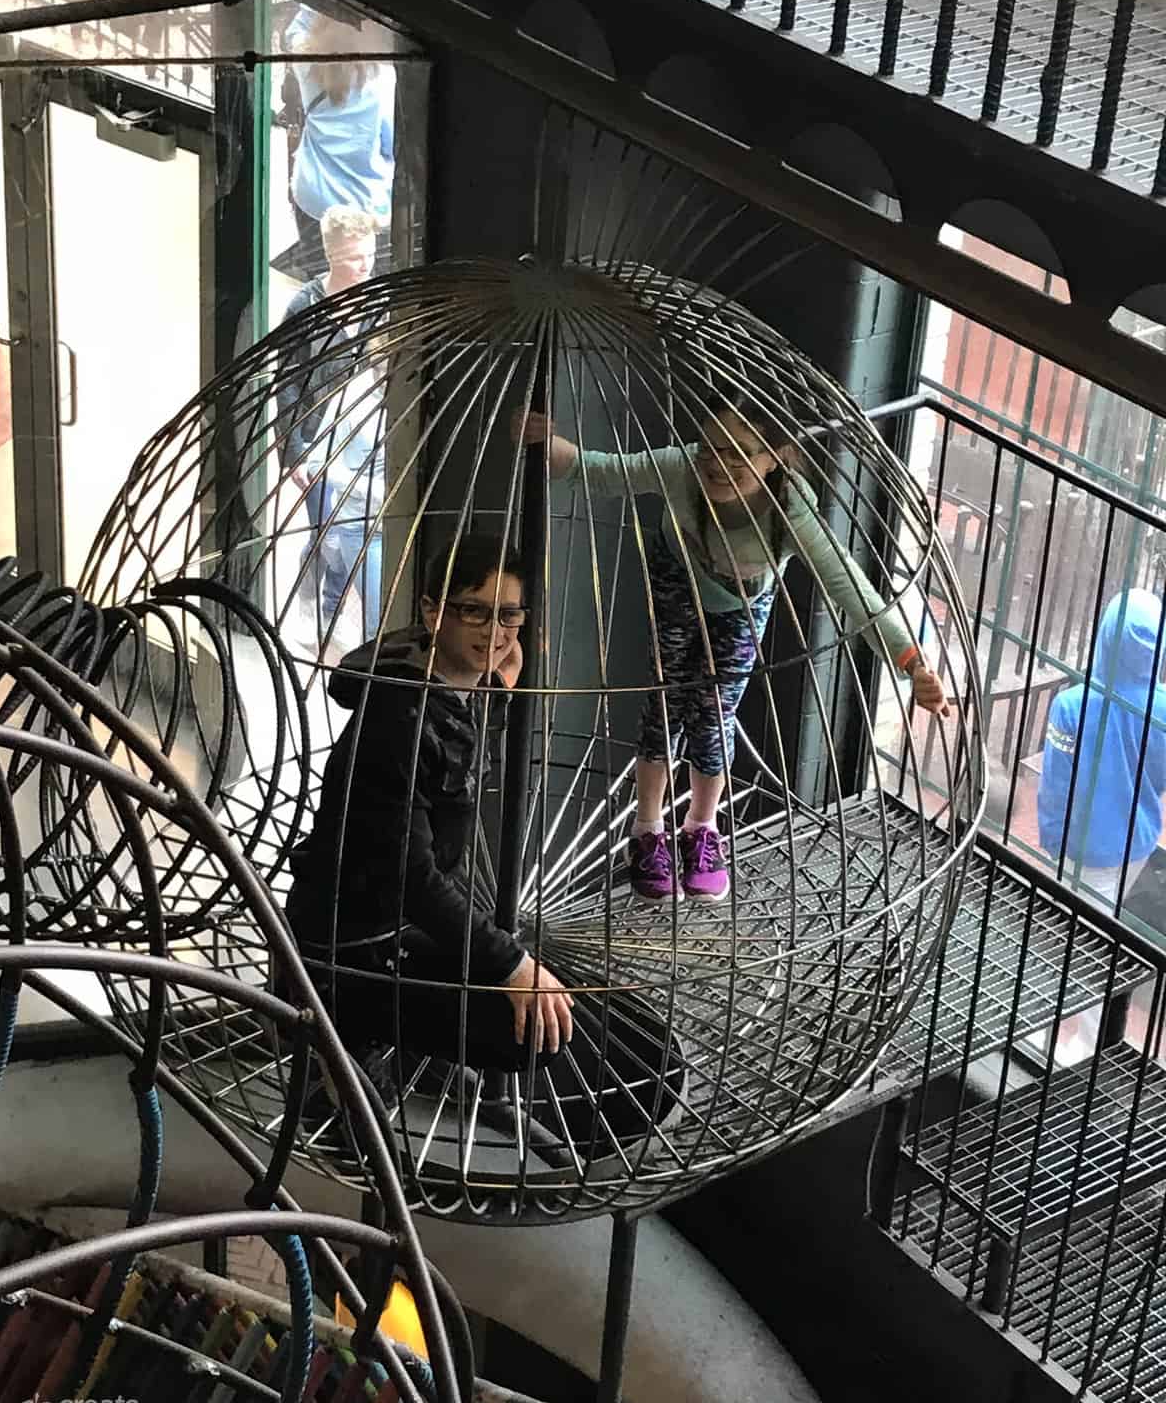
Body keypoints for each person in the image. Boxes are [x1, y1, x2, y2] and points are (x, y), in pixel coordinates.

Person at [516, 393, 949, 903]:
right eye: (712, 448)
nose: (720, 464)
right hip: (679, 582)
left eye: (740, 453)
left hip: (743, 604)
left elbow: (849, 585)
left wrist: (910, 662)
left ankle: (702, 828)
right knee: (664, 702)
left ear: (775, 457)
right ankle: (648, 830)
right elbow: (606, 472)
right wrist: (545, 443)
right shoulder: (681, 467)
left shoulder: (790, 508)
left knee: (714, 711)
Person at [285, 533, 577, 1069]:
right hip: (351, 955)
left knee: (557, 995)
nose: (494, 632)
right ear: (431, 610)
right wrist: (510, 964)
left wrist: (498, 692)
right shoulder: (398, 718)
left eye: (509, 616)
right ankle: (351, 1043)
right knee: (532, 1028)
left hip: (394, 928)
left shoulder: (450, 694)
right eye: (474, 612)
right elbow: (409, 875)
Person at [276, 205, 385, 655]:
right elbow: (287, 382)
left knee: (359, 533)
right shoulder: (305, 306)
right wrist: (295, 453)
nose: (366, 266)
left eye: (370, 255)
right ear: (331, 256)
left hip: (364, 438)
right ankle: (317, 606)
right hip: (320, 440)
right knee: (328, 535)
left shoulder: (378, 299)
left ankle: (332, 609)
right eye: (356, 258)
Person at [1038, 588, 1166, 907]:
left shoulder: (1071, 707)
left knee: (1072, 931)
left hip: (1084, 851)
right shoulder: (1162, 708)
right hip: (1139, 841)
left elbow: (1056, 786)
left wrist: (1054, 842)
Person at [283, 8, 395, 281]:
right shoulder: (383, 78)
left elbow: (293, 31)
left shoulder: (308, 65)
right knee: (361, 285)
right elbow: (391, 147)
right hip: (362, 207)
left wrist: (324, 2)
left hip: (313, 198)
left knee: (322, 279)